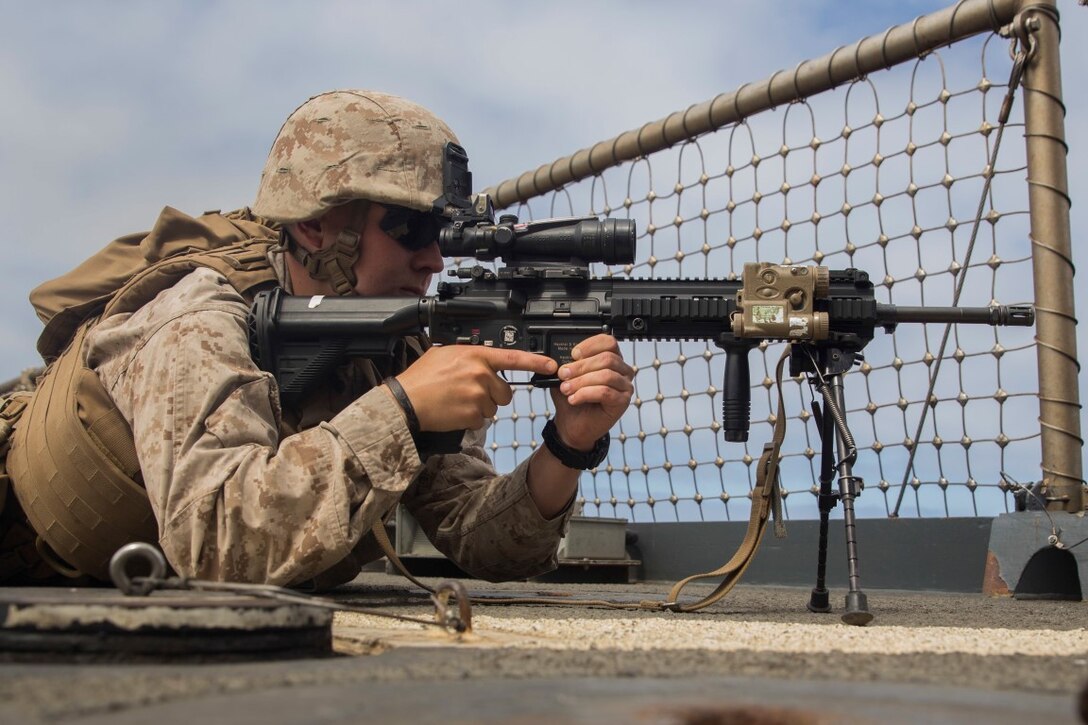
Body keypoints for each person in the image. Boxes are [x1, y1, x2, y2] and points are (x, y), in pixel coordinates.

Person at [1, 90, 634, 588]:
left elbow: (482, 542)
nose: (435, 261)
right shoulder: (196, 315)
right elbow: (215, 540)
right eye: (410, 230)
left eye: (442, 234)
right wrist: (402, 412)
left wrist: (569, 446)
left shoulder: (398, 340)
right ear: (314, 228)